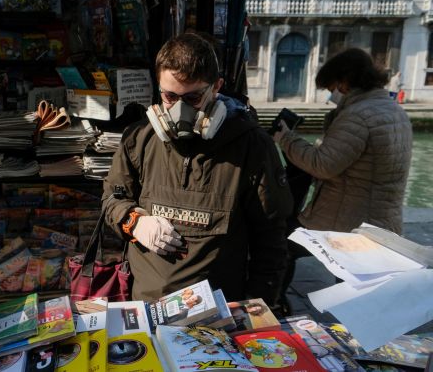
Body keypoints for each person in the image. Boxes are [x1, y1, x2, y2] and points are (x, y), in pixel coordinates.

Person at [101, 32, 293, 307]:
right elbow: (112, 197)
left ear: (216, 87)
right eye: (169, 97)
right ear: (159, 88)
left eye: (192, 99)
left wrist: (259, 304)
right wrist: (133, 221)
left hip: (218, 311)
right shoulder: (139, 138)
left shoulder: (252, 146)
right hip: (147, 305)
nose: (179, 111)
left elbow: (271, 236)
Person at [273, 48, 413, 304]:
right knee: (356, 286)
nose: (330, 94)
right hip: (379, 216)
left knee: (283, 248)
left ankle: (275, 303)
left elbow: (323, 164)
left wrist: (286, 138)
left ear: (345, 82)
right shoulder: (393, 110)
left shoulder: (358, 116)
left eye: (331, 86)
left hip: (347, 220)